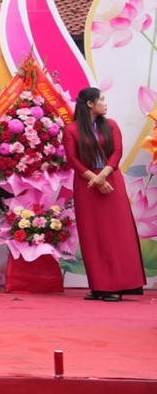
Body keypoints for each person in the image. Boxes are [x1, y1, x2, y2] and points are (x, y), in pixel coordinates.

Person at [61, 87, 145, 302]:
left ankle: (118, 285)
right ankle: (100, 286)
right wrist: (94, 179)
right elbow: (72, 159)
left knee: (117, 233)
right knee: (92, 234)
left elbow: (117, 152)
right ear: (90, 104)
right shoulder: (71, 129)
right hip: (86, 184)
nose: (105, 103)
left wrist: (103, 176)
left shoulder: (111, 125)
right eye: (102, 99)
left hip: (111, 181)